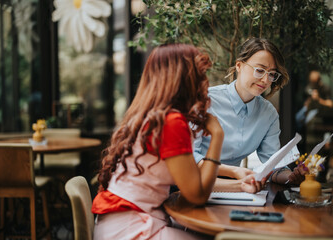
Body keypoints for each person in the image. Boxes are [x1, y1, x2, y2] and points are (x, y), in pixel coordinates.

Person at [91, 44, 264, 240]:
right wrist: (217, 137)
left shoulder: (156, 116)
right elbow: (197, 196)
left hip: (124, 221)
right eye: (200, 75)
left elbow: (193, 184)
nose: (205, 82)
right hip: (131, 228)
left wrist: (240, 185)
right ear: (184, 78)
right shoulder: (171, 123)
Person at [194, 38, 307, 190]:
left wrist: (290, 177)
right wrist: (235, 172)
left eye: (272, 74)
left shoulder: (268, 114)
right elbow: (188, 157)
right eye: (260, 70)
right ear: (239, 65)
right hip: (193, 183)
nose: (266, 80)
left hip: (237, 189)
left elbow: (272, 166)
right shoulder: (206, 101)